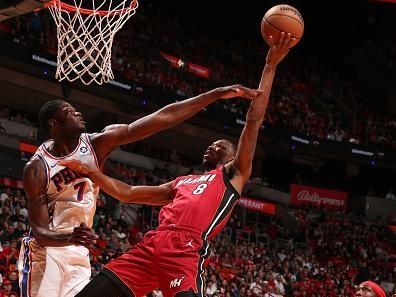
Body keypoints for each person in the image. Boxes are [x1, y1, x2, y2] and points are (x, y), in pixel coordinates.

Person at [61, 32, 294, 297]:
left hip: (185, 251)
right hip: (151, 246)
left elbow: (254, 120)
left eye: (219, 145)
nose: (211, 146)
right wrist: (93, 173)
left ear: (232, 156)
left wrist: (270, 65)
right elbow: (127, 193)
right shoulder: (182, 182)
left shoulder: (233, 174)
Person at [18, 85, 259, 297]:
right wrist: (70, 237)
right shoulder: (37, 168)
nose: (78, 112)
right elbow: (40, 232)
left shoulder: (98, 143)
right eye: (69, 112)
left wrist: (213, 95)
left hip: (78, 248)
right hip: (47, 248)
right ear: (54, 124)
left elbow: (164, 117)